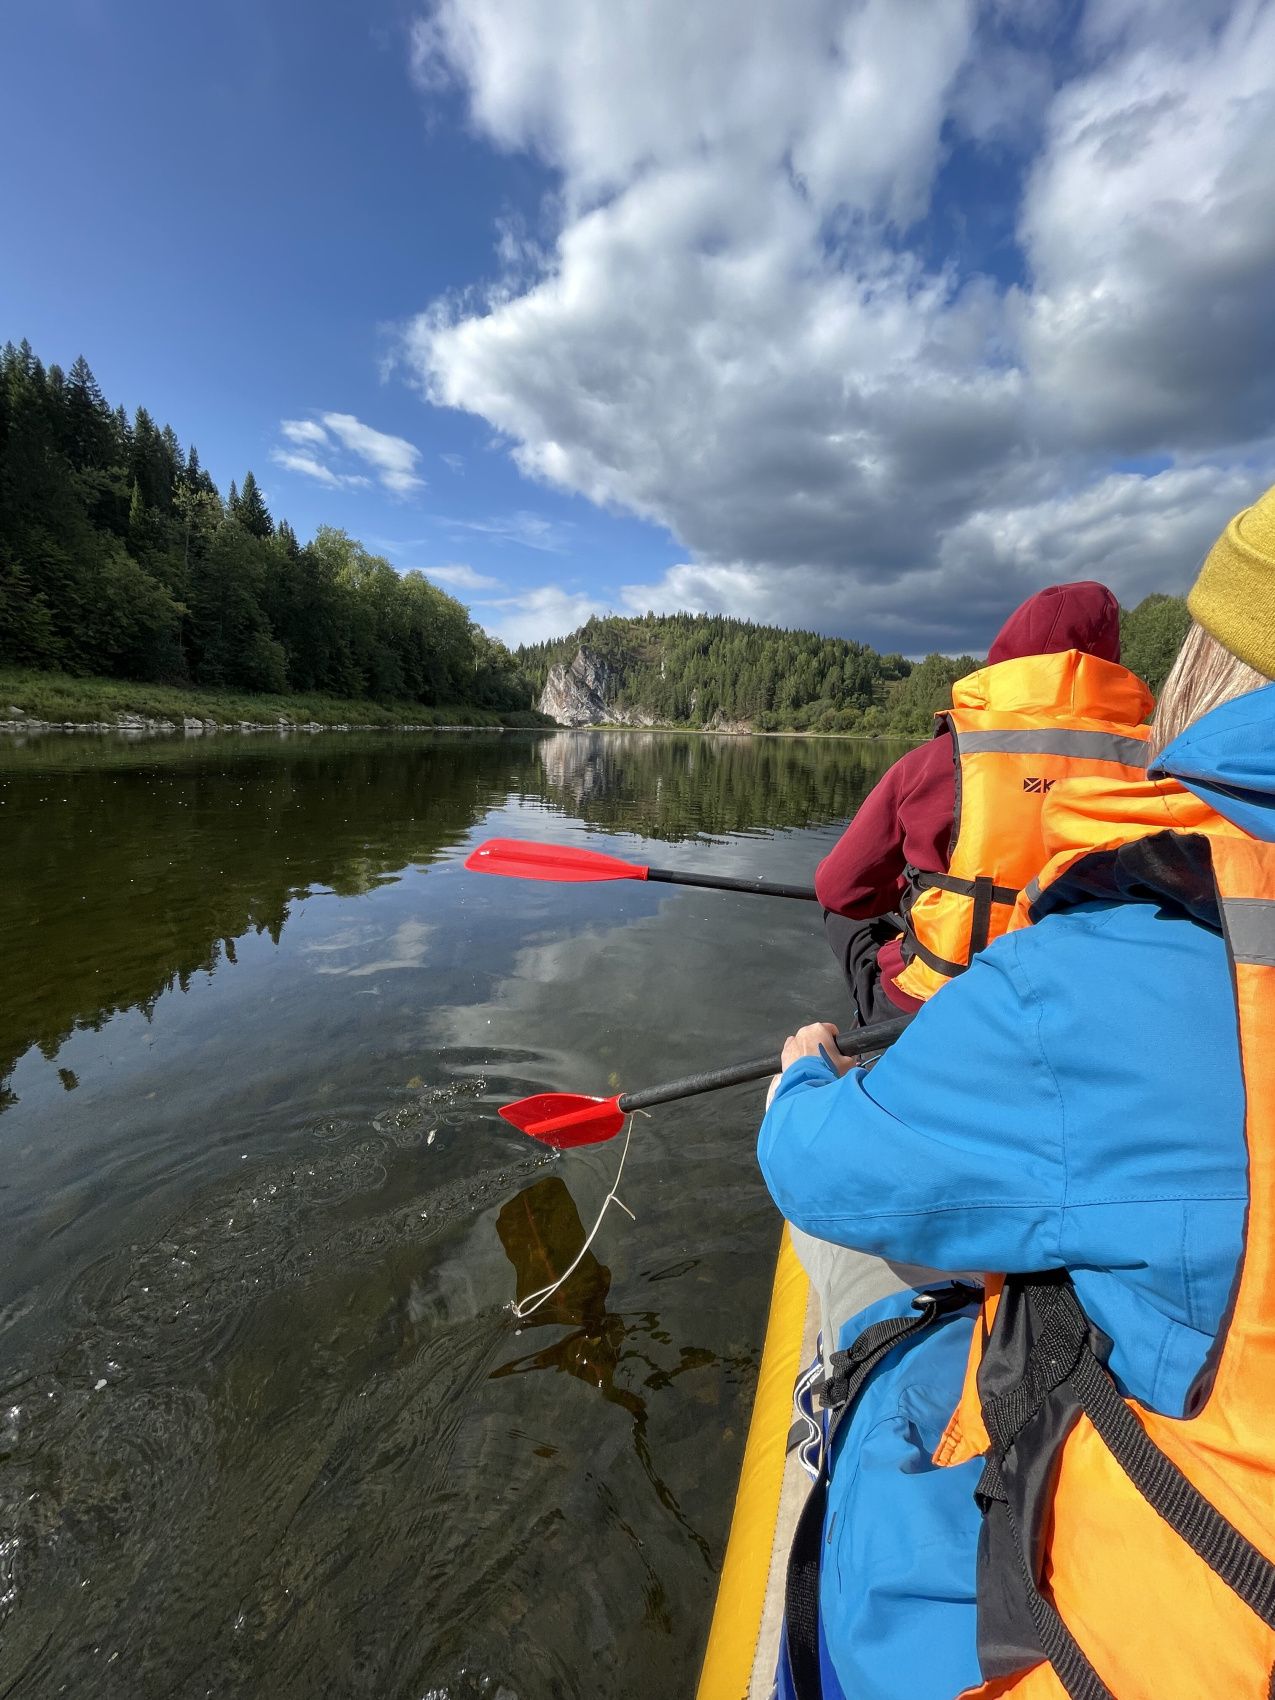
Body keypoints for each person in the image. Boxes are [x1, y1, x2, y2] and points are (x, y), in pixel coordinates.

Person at [759, 483, 1275, 1700]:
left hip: (1123, 1629)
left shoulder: (1124, 931)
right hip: (1037, 1080)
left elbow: (841, 889)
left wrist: (799, 1076)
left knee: (859, 1282)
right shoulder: (1154, 868)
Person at [816, 581, 1152, 1022]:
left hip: (935, 1003)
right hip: (1080, 1009)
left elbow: (842, 889)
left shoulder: (943, 758)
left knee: (840, 908)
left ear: (1007, 655)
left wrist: (907, 895)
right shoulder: (1158, 761)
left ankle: (870, 1051)